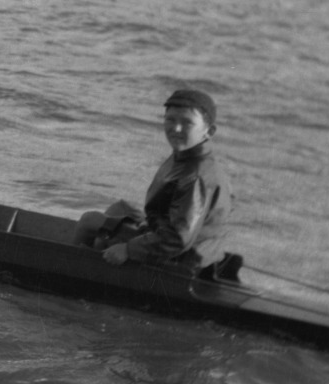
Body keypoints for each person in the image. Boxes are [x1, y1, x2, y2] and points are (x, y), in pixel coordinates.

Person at [75, 88, 234, 277]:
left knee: (88, 221)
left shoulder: (195, 175)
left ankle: (76, 270)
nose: (176, 128)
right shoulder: (191, 156)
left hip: (184, 258)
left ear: (209, 131)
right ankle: (102, 257)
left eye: (187, 123)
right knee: (119, 208)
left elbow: (177, 240)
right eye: (171, 120)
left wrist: (129, 249)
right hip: (193, 244)